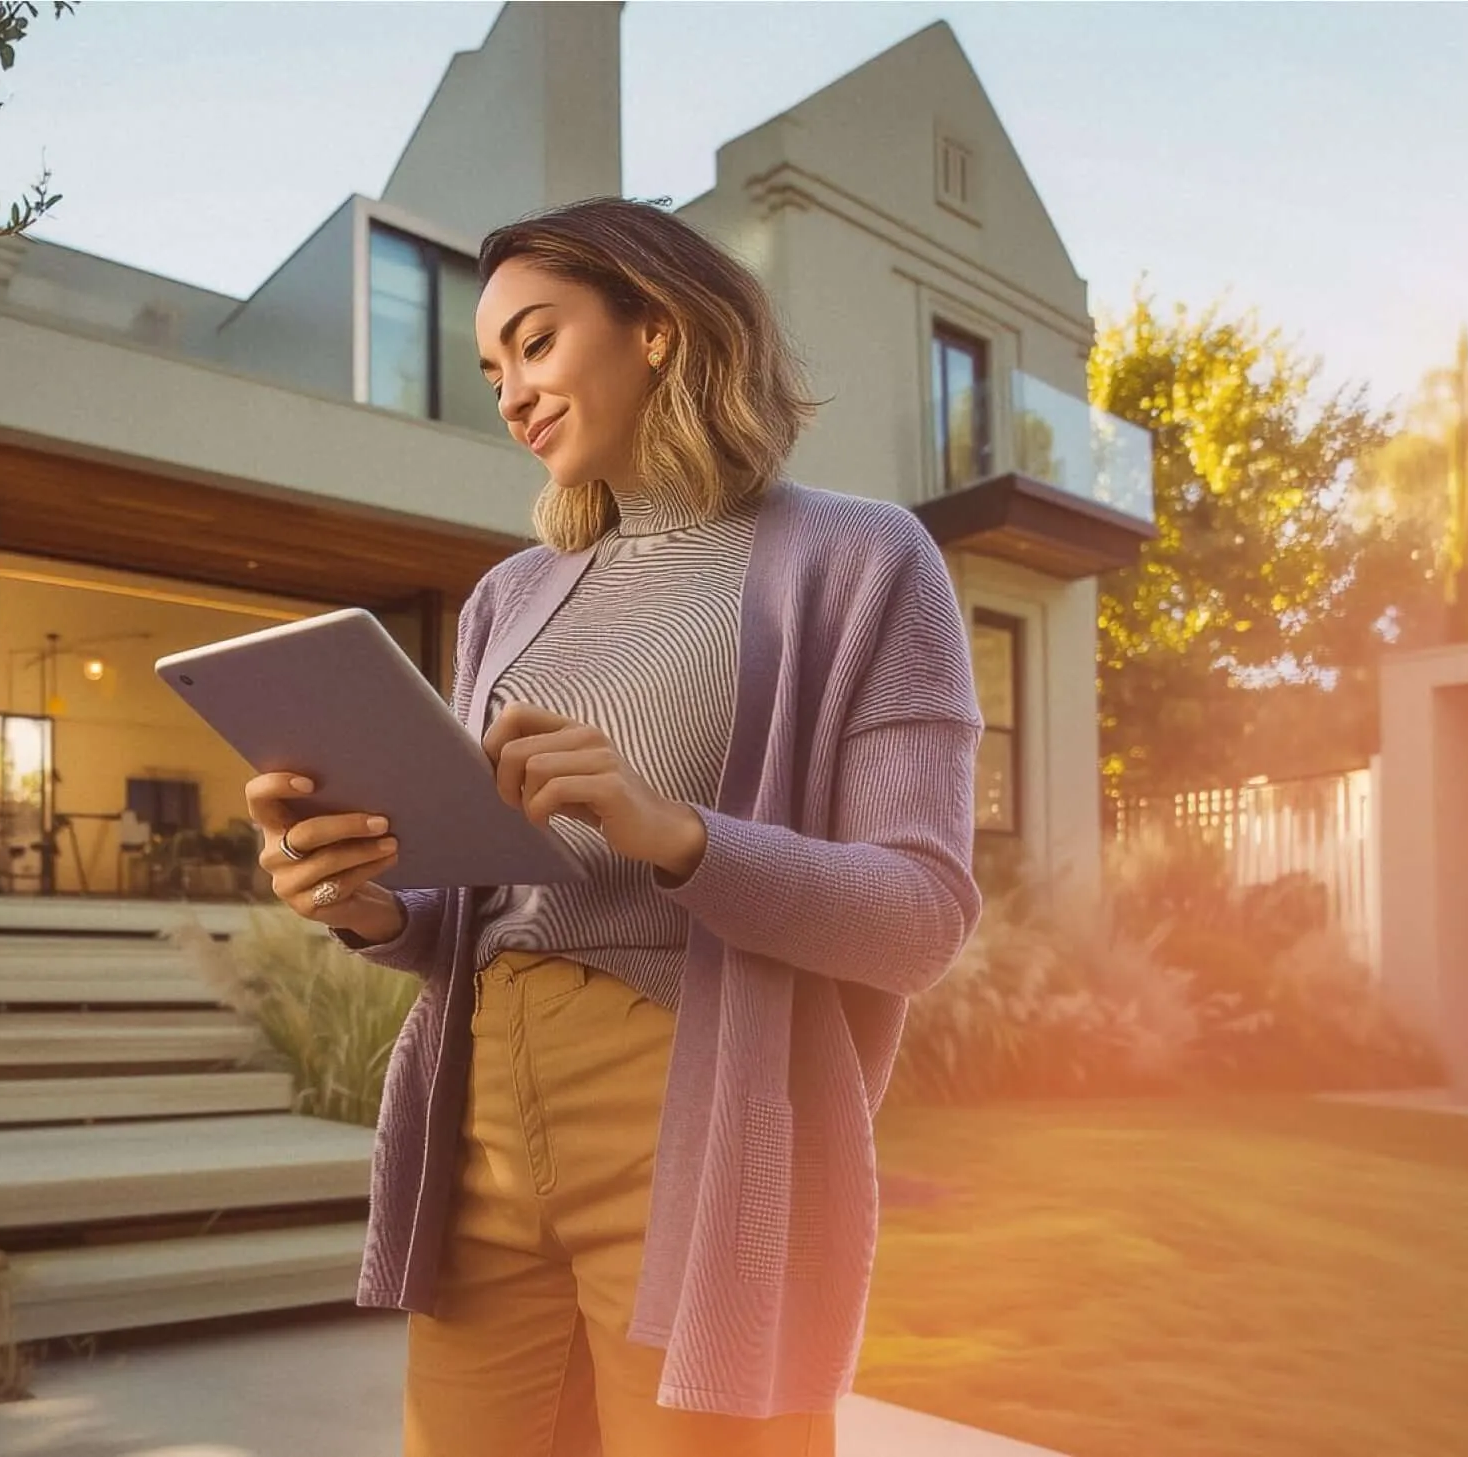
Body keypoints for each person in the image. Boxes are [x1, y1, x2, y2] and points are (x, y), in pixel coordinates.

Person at [244, 196, 983, 1457]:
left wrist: (674, 831)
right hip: (477, 1117)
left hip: (688, 1118)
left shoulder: (860, 559)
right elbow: (484, 913)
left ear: (653, 326)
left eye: (534, 343)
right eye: (491, 368)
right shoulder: (505, 600)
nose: (510, 392)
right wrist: (366, 902)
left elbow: (919, 915)